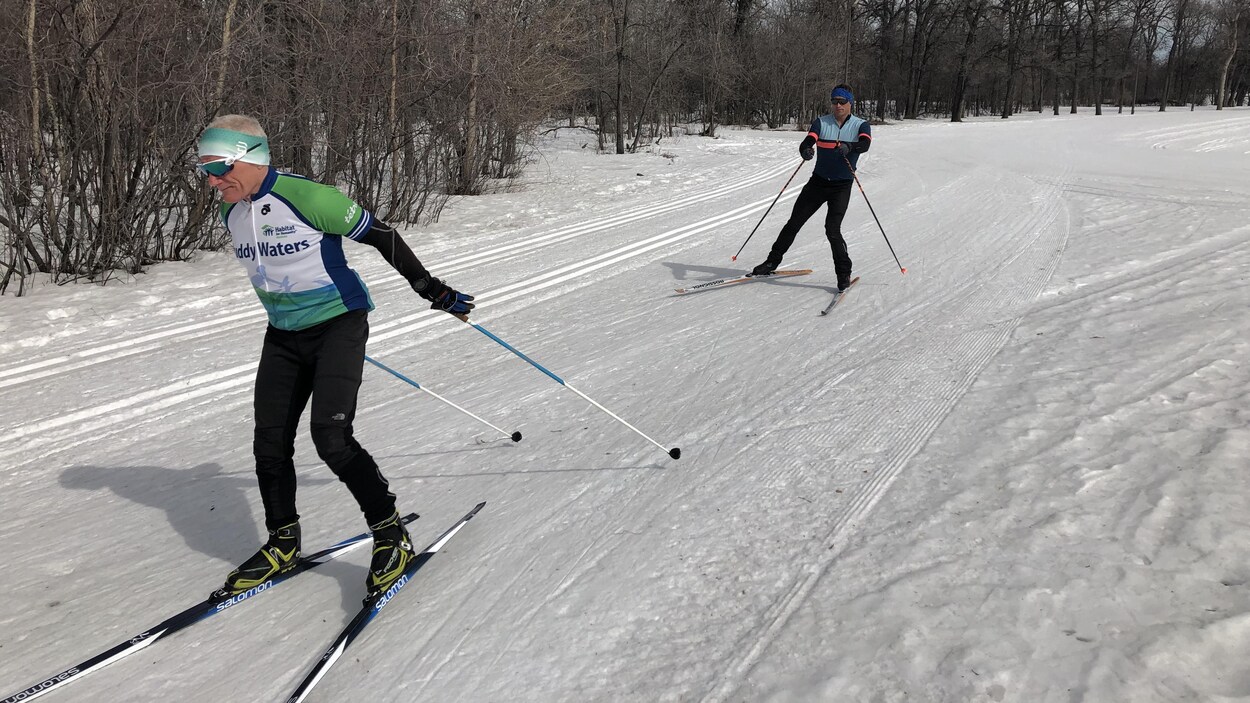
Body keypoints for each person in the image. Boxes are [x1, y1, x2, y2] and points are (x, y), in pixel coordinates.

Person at [196, 114, 475, 599]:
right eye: (205, 171)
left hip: (339, 324)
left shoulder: (309, 197)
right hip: (283, 335)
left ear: (251, 157)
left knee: (331, 437)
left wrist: (431, 288)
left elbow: (382, 234)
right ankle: (283, 542)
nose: (213, 181)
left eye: (219, 168)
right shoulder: (231, 210)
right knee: (269, 444)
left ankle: (390, 534)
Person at [751, 84, 872, 291]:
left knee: (832, 229)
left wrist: (850, 147)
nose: (838, 105)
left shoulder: (861, 125)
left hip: (841, 186)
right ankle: (771, 262)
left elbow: (865, 144)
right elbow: (808, 141)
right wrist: (806, 150)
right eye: (834, 101)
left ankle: (843, 273)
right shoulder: (821, 122)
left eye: (842, 101)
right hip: (818, 182)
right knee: (794, 222)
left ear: (850, 103)